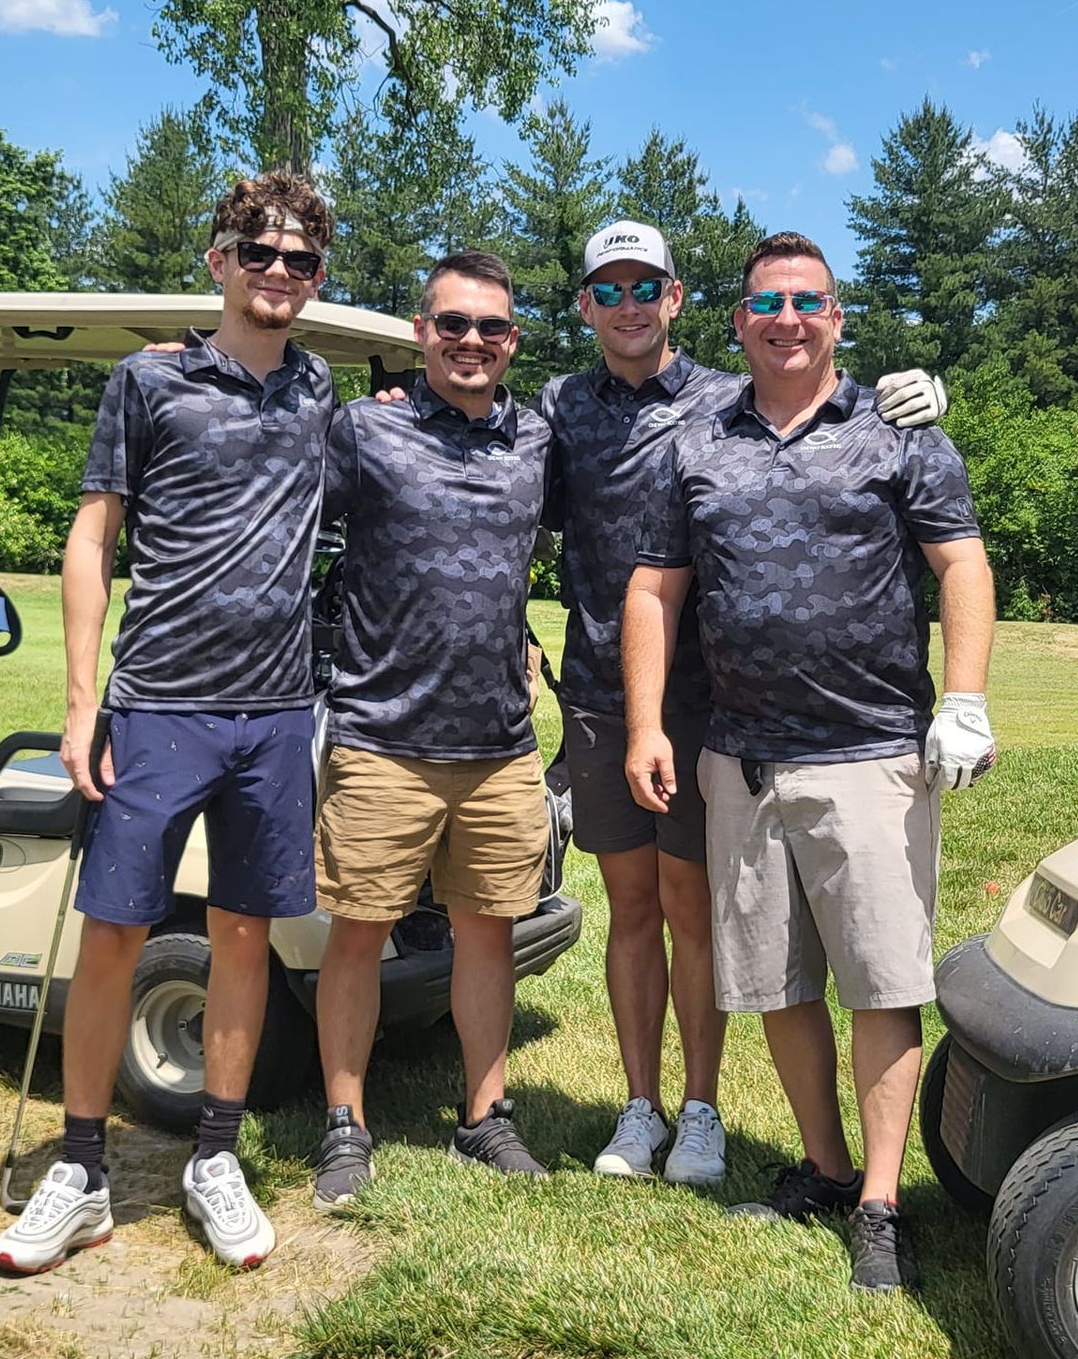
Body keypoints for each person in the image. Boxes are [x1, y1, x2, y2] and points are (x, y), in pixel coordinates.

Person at [540, 219, 953, 1185]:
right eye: (611, 289)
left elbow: (816, 383)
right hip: (610, 688)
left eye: (649, 286)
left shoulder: (728, 397)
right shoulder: (558, 408)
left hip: (717, 699)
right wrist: (396, 398)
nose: (631, 304)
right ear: (587, 306)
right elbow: (481, 442)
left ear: (680, 300)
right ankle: (640, 1109)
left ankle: (702, 1110)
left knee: (701, 912)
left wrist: (923, 398)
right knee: (631, 907)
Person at [622, 231, 997, 1294]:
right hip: (739, 761)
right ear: (737, 321)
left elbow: (960, 563)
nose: (787, 317)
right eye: (767, 302)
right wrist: (650, 725)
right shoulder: (695, 445)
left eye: (808, 300)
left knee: (881, 982)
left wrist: (963, 701)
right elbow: (654, 590)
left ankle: (881, 1203)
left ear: (837, 317)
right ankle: (827, 1169)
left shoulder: (900, 430)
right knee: (778, 982)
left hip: (869, 756)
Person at [0, 171, 339, 1275]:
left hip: (278, 710)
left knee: (244, 936)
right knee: (115, 932)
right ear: (218, 261)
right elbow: (93, 540)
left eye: (298, 260)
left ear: (314, 279)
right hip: (157, 707)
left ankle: (217, 1157)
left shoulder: (321, 394)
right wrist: (83, 700)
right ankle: (83, 1169)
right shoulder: (149, 383)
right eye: (258, 251)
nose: (277, 271)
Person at [307, 251, 556, 1210]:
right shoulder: (364, 432)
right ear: (421, 333)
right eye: (451, 324)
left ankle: (484, 1115)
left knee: (486, 935)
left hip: (497, 743)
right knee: (359, 934)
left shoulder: (538, 440)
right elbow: (275, 507)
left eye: (491, 327)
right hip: (382, 734)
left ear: (513, 341)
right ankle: (345, 1122)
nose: (471, 343)